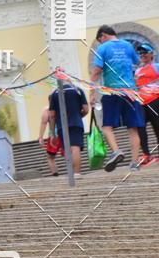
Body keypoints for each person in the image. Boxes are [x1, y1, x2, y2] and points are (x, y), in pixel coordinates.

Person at [91, 25, 145, 172]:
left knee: (107, 126)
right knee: (133, 128)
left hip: (112, 92)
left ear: (103, 35)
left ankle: (116, 151)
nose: (101, 42)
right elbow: (137, 63)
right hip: (130, 92)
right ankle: (134, 163)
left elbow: (96, 71)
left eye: (100, 40)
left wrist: (92, 94)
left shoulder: (102, 48)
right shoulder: (128, 45)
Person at [47, 83, 89, 179]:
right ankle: (76, 173)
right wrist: (79, 116)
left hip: (61, 126)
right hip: (76, 123)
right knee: (75, 148)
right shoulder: (78, 90)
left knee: (68, 149)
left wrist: (53, 133)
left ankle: (71, 173)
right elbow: (86, 109)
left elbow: (52, 116)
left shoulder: (54, 93)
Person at [134, 44, 159, 164]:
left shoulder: (157, 66)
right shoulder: (137, 71)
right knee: (140, 127)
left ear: (151, 53)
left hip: (155, 101)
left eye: (145, 52)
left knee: (157, 127)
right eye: (140, 53)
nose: (142, 55)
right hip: (141, 103)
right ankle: (146, 154)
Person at [38, 106, 61, 176]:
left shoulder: (47, 109)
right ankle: (75, 173)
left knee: (50, 157)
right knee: (70, 153)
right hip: (66, 134)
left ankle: (55, 175)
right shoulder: (64, 105)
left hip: (54, 136)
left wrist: (40, 137)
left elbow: (44, 123)